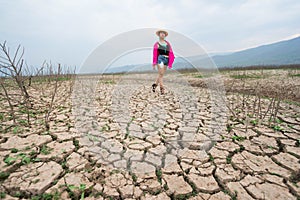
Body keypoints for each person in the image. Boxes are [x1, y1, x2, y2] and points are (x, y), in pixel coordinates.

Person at [152, 29, 175, 95]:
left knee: (161, 74)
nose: (162, 34)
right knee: (161, 74)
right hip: (160, 59)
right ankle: (162, 89)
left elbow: (171, 52)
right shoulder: (156, 44)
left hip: (166, 59)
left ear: (165, 35)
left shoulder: (168, 43)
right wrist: (154, 63)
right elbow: (154, 54)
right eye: (161, 33)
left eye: (163, 33)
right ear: (159, 35)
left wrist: (170, 62)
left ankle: (155, 85)